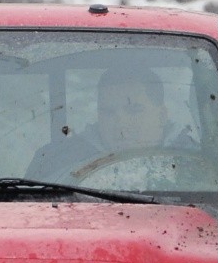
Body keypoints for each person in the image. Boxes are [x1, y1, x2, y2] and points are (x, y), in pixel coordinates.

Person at [28, 67, 195, 180]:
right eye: (108, 112)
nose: (121, 124)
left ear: (161, 116)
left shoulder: (197, 163)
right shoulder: (55, 164)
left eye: (134, 110)